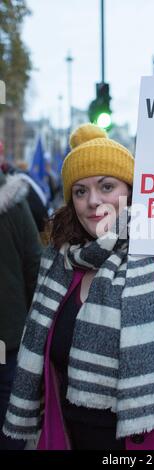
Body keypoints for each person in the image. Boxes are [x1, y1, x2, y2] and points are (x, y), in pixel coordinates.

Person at [3, 123, 154, 450]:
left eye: (107, 185)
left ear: (131, 189)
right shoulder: (61, 264)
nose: (93, 201)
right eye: (80, 191)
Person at [0, 170, 42, 450]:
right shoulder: (13, 203)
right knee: (9, 420)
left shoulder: (14, 203)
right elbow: (34, 267)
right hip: (8, 337)